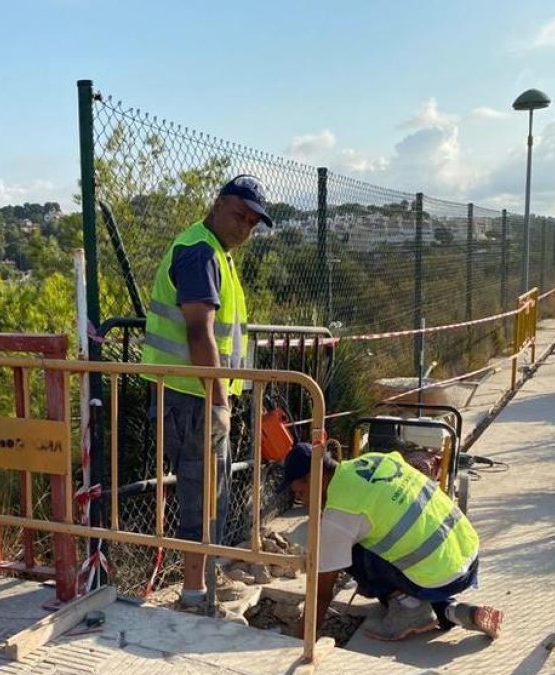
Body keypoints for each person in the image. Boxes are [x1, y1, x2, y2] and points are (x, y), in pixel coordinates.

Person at [141, 174, 274, 613]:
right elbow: (200, 333)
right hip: (191, 397)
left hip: (196, 395)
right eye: (240, 215)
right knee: (202, 495)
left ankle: (202, 586)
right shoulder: (200, 252)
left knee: (210, 493)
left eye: (253, 223)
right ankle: (195, 595)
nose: (245, 228)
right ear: (217, 205)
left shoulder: (215, 251)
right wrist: (219, 400)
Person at [281, 442, 503, 641]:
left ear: (312, 478)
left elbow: (322, 593)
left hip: (440, 574)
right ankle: (453, 612)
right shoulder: (374, 459)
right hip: (467, 554)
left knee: (348, 552)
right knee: (371, 537)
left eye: (301, 493)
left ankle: (410, 609)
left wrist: (300, 640)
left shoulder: (340, 513)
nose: (304, 501)